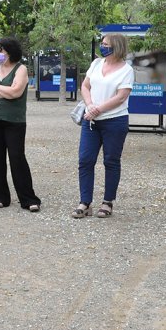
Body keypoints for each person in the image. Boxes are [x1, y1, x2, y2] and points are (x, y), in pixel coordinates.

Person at [71, 33, 134, 219]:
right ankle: (85, 202)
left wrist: (98, 109)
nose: (102, 46)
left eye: (106, 44)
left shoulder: (126, 70)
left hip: (115, 121)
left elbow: (121, 96)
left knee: (111, 161)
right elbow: (85, 86)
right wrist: (90, 106)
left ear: (117, 47)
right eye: (102, 43)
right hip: (91, 121)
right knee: (85, 160)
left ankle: (108, 202)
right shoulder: (96, 64)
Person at [0, 37, 41, 212]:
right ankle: (0, 196)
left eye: (1, 51)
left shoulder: (21, 69)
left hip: (14, 121)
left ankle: (28, 199)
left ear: (10, 52)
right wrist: (2, 91)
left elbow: (15, 92)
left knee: (17, 158)